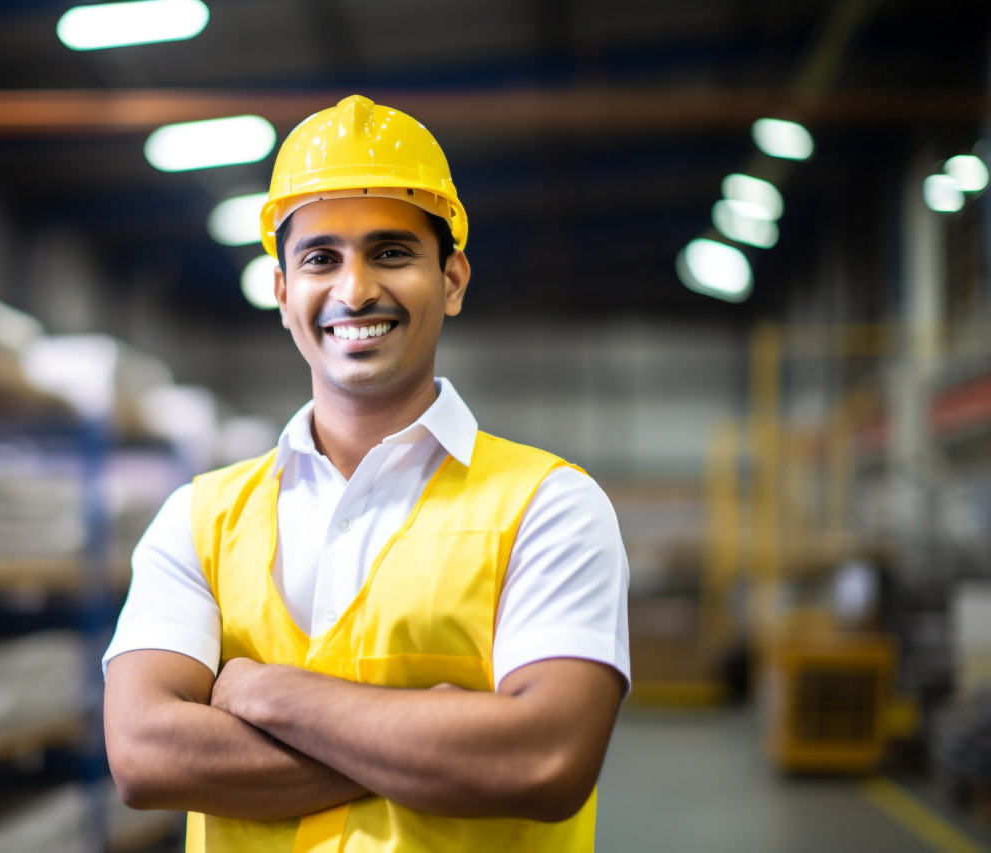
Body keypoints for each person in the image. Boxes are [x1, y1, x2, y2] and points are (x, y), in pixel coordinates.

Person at [103, 94, 630, 852]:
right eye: (321, 257)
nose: (354, 290)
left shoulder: (551, 506)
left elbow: (543, 757)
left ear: (451, 280)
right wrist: (435, 739)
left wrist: (263, 690)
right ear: (283, 292)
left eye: (391, 252)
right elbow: (144, 756)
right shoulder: (198, 519)